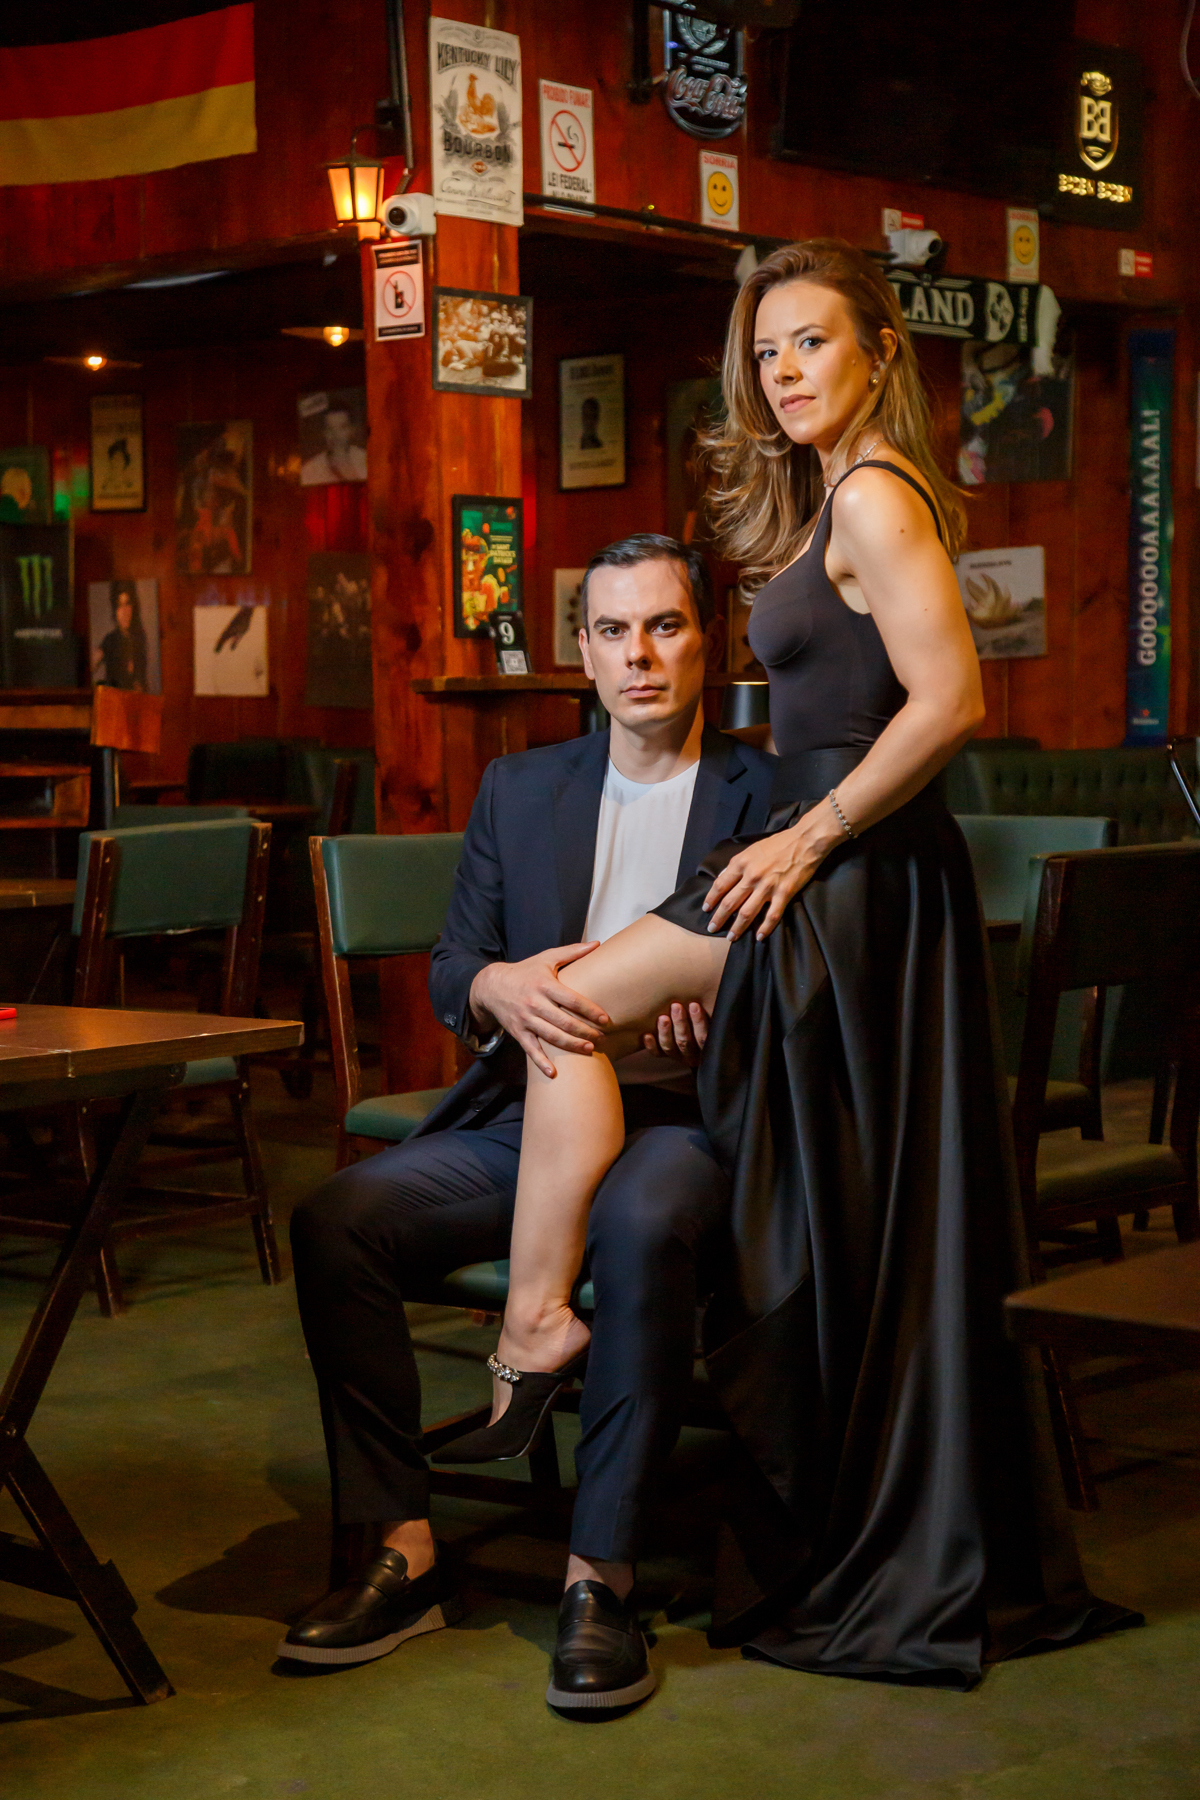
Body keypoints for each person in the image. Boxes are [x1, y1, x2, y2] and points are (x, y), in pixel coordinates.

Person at [438, 239, 1137, 1691]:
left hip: (850, 864)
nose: (785, 372)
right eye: (766, 353)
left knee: (572, 999)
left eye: (812, 341)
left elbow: (952, 701)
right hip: (826, 860)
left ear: (881, 348)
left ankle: (534, 1329)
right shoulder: (841, 492)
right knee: (572, 1003)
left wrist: (811, 834)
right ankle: (541, 1322)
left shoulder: (876, 494)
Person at [283, 535, 777, 1709]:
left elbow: (804, 972)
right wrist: (499, 986)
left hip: (685, 1120)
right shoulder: (520, 787)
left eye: (664, 626)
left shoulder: (772, 791)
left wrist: (722, 1003)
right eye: (613, 631)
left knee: (642, 1229)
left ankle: (598, 1579)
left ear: (706, 642)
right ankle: (402, 1549)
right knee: (338, 1222)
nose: (639, 654)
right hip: (531, 1112)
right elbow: (455, 965)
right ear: (583, 655)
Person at [93, 581, 148, 690]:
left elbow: (140, 682)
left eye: (127, 604)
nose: (124, 611)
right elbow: (91, 663)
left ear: (133, 607)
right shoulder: (110, 640)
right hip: (113, 698)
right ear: (115, 610)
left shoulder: (139, 639)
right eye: (119, 606)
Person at [301, 404, 368, 485]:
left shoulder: (366, 460)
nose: (336, 436)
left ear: (351, 430)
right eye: (330, 429)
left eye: (342, 427)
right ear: (324, 433)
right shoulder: (310, 470)